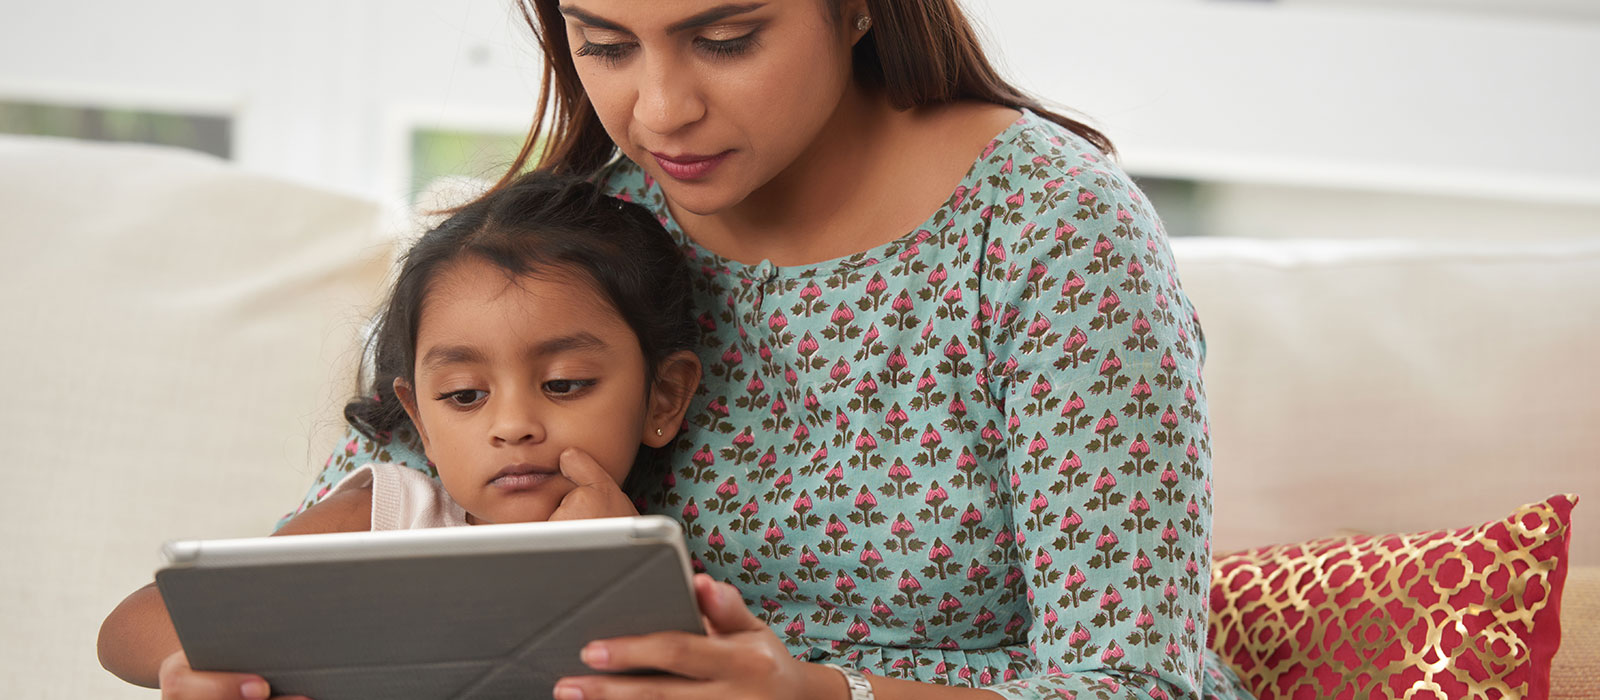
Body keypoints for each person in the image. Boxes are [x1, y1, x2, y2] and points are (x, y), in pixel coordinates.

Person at [122, 0, 1261, 698]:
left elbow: (1133, 683)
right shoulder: (546, 257)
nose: (660, 110)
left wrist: (821, 694)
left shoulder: (1047, 232)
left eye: (725, 37)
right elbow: (284, 586)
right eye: (603, 44)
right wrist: (241, 667)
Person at [96, 173, 705, 697]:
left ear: (664, 396)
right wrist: (234, 659)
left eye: (565, 384)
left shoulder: (659, 575)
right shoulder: (389, 519)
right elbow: (128, 628)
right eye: (465, 396)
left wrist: (603, 573)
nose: (514, 425)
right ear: (421, 423)